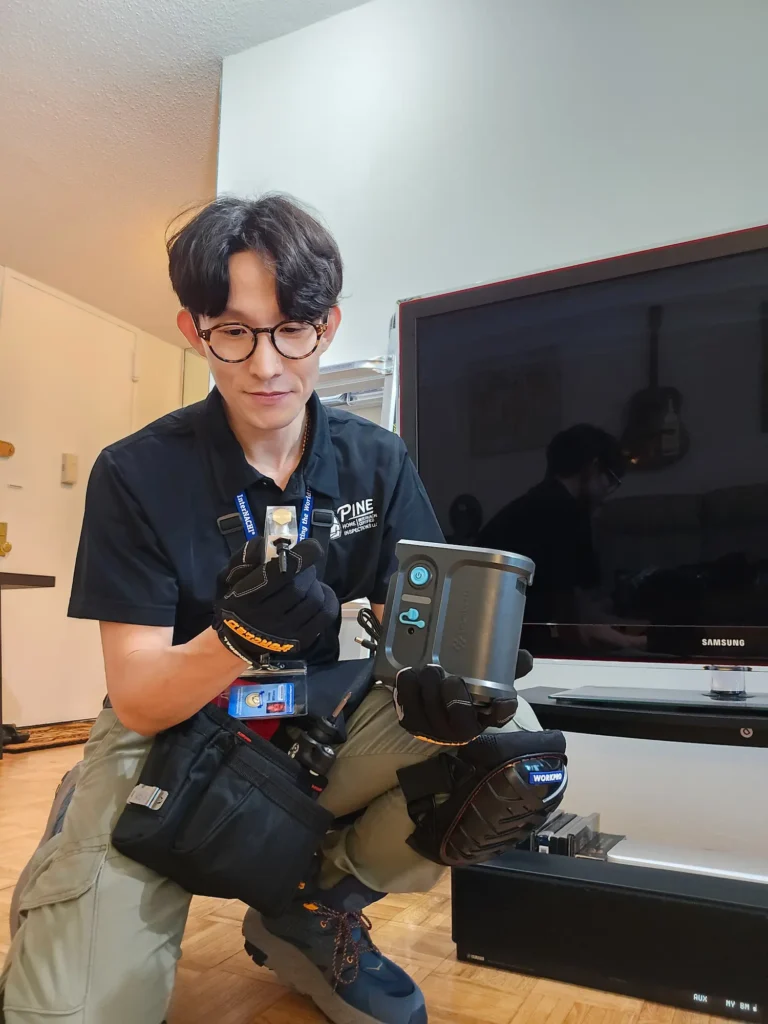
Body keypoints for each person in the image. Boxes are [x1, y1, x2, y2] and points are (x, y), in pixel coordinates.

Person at [0, 195, 542, 1024]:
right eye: (234, 331)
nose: (266, 365)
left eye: (292, 329)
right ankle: (91, 820)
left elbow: (420, 630)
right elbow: (138, 694)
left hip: (316, 721)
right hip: (169, 730)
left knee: (500, 734)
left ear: (327, 328)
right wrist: (236, 639)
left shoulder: (378, 462)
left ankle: (313, 907)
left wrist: (454, 680)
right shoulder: (137, 472)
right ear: (194, 330)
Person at [478, 423, 646, 652]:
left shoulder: (533, 504)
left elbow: (575, 604)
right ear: (593, 467)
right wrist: (635, 642)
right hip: (515, 642)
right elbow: (571, 624)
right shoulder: (568, 514)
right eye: (611, 480)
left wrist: (627, 626)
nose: (607, 492)